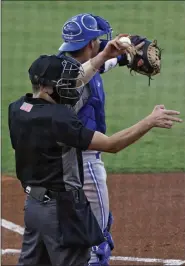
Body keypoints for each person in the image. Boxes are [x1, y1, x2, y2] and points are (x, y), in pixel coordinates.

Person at [8, 37, 138, 266]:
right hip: (62, 212)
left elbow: (76, 80)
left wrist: (104, 57)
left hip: (34, 207)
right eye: (64, 82)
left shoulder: (18, 109)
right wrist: (150, 120)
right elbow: (112, 145)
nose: (70, 85)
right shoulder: (60, 118)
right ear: (49, 87)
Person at [57, 13, 146, 265]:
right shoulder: (75, 81)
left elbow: (100, 65)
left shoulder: (64, 69)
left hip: (60, 164)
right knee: (98, 240)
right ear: (89, 45)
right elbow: (89, 71)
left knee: (63, 236)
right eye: (97, 39)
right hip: (85, 162)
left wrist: (120, 53)